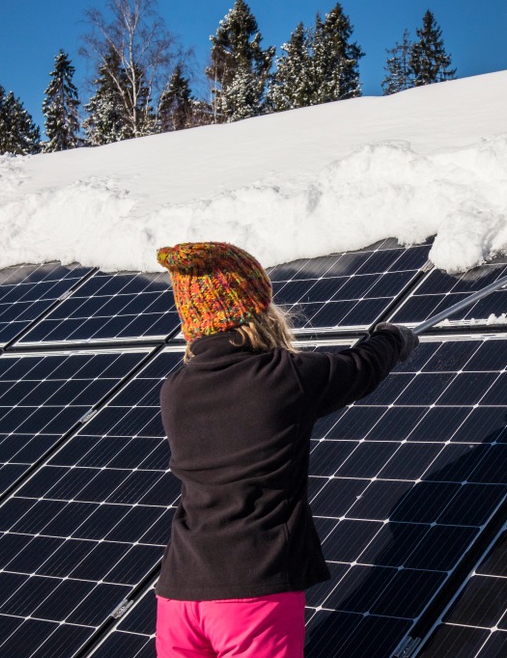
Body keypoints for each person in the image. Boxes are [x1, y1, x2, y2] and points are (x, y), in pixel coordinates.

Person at [153, 241, 418, 658]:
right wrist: (391, 341)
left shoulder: (174, 390)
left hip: (178, 593)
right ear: (255, 309)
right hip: (252, 589)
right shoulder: (283, 378)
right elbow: (360, 369)